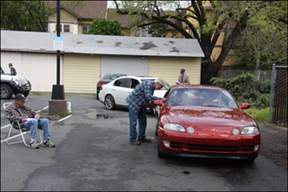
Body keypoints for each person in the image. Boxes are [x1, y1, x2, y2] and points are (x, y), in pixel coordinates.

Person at [126, 78, 166, 145]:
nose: (161, 88)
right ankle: (132, 139)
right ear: (157, 83)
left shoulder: (152, 87)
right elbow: (149, 97)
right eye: (161, 86)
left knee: (143, 120)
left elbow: (147, 98)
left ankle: (141, 137)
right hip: (133, 103)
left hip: (141, 104)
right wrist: (161, 99)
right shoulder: (148, 84)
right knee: (133, 122)